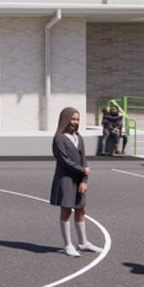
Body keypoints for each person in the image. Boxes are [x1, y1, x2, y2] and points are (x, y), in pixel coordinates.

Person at [48, 107, 98, 257]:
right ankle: (67, 245)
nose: (75, 122)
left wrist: (84, 180)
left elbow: (83, 160)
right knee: (66, 210)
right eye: (72, 119)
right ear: (65, 119)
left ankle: (83, 243)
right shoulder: (59, 138)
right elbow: (64, 161)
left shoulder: (79, 137)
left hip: (78, 179)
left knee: (81, 209)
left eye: (77, 119)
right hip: (65, 179)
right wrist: (83, 170)